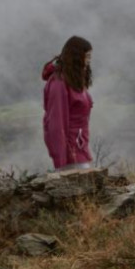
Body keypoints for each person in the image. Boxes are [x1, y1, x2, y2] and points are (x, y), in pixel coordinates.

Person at [42, 36, 94, 171]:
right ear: (77, 57)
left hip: (79, 148)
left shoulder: (73, 80)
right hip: (70, 155)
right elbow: (56, 123)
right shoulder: (59, 83)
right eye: (87, 56)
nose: (89, 61)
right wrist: (61, 162)